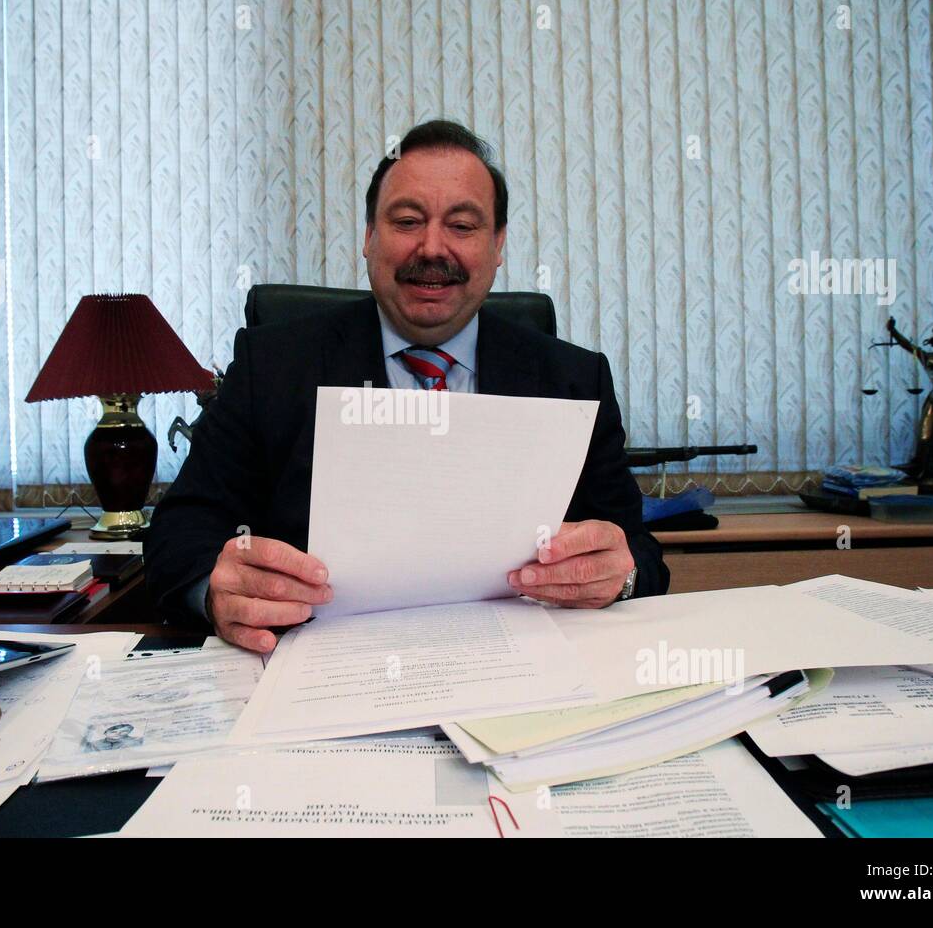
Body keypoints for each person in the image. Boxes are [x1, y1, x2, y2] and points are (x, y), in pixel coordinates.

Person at [145, 119, 668, 652]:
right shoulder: (271, 366)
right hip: (323, 671)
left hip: (518, 669)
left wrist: (619, 576)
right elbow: (179, 533)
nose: (432, 248)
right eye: (407, 220)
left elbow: (641, 555)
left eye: (463, 226)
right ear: (370, 237)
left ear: (498, 244)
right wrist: (215, 591)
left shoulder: (575, 381)